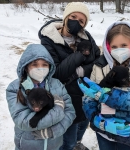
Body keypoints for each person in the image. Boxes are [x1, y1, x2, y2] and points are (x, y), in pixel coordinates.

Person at [38, 2, 100, 150]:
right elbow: (58, 72)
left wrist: (81, 71)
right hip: (65, 98)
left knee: (83, 124)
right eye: (73, 16)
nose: (76, 22)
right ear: (66, 17)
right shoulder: (49, 39)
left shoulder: (87, 38)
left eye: (81, 21)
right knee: (67, 139)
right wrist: (79, 55)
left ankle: (77, 143)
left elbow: (98, 60)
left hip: (85, 95)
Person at [78, 21, 130, 150]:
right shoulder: (99, 66)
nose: (119, 50)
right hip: (104, 132)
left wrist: (105, 95)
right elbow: (88, 99)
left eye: (124, 45)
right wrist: (96, 120)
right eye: (114, 47)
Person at [6, 44, 76, 150]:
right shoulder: (15, 88)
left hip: (54, 145)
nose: (40, 68)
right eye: (35, 64)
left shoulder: (57, 84)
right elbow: (24, 121)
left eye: (44, 64)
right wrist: (58, 109)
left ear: (50, 66)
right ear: (26, 66)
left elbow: (70, 113)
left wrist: (53, 131)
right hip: (27, 146)